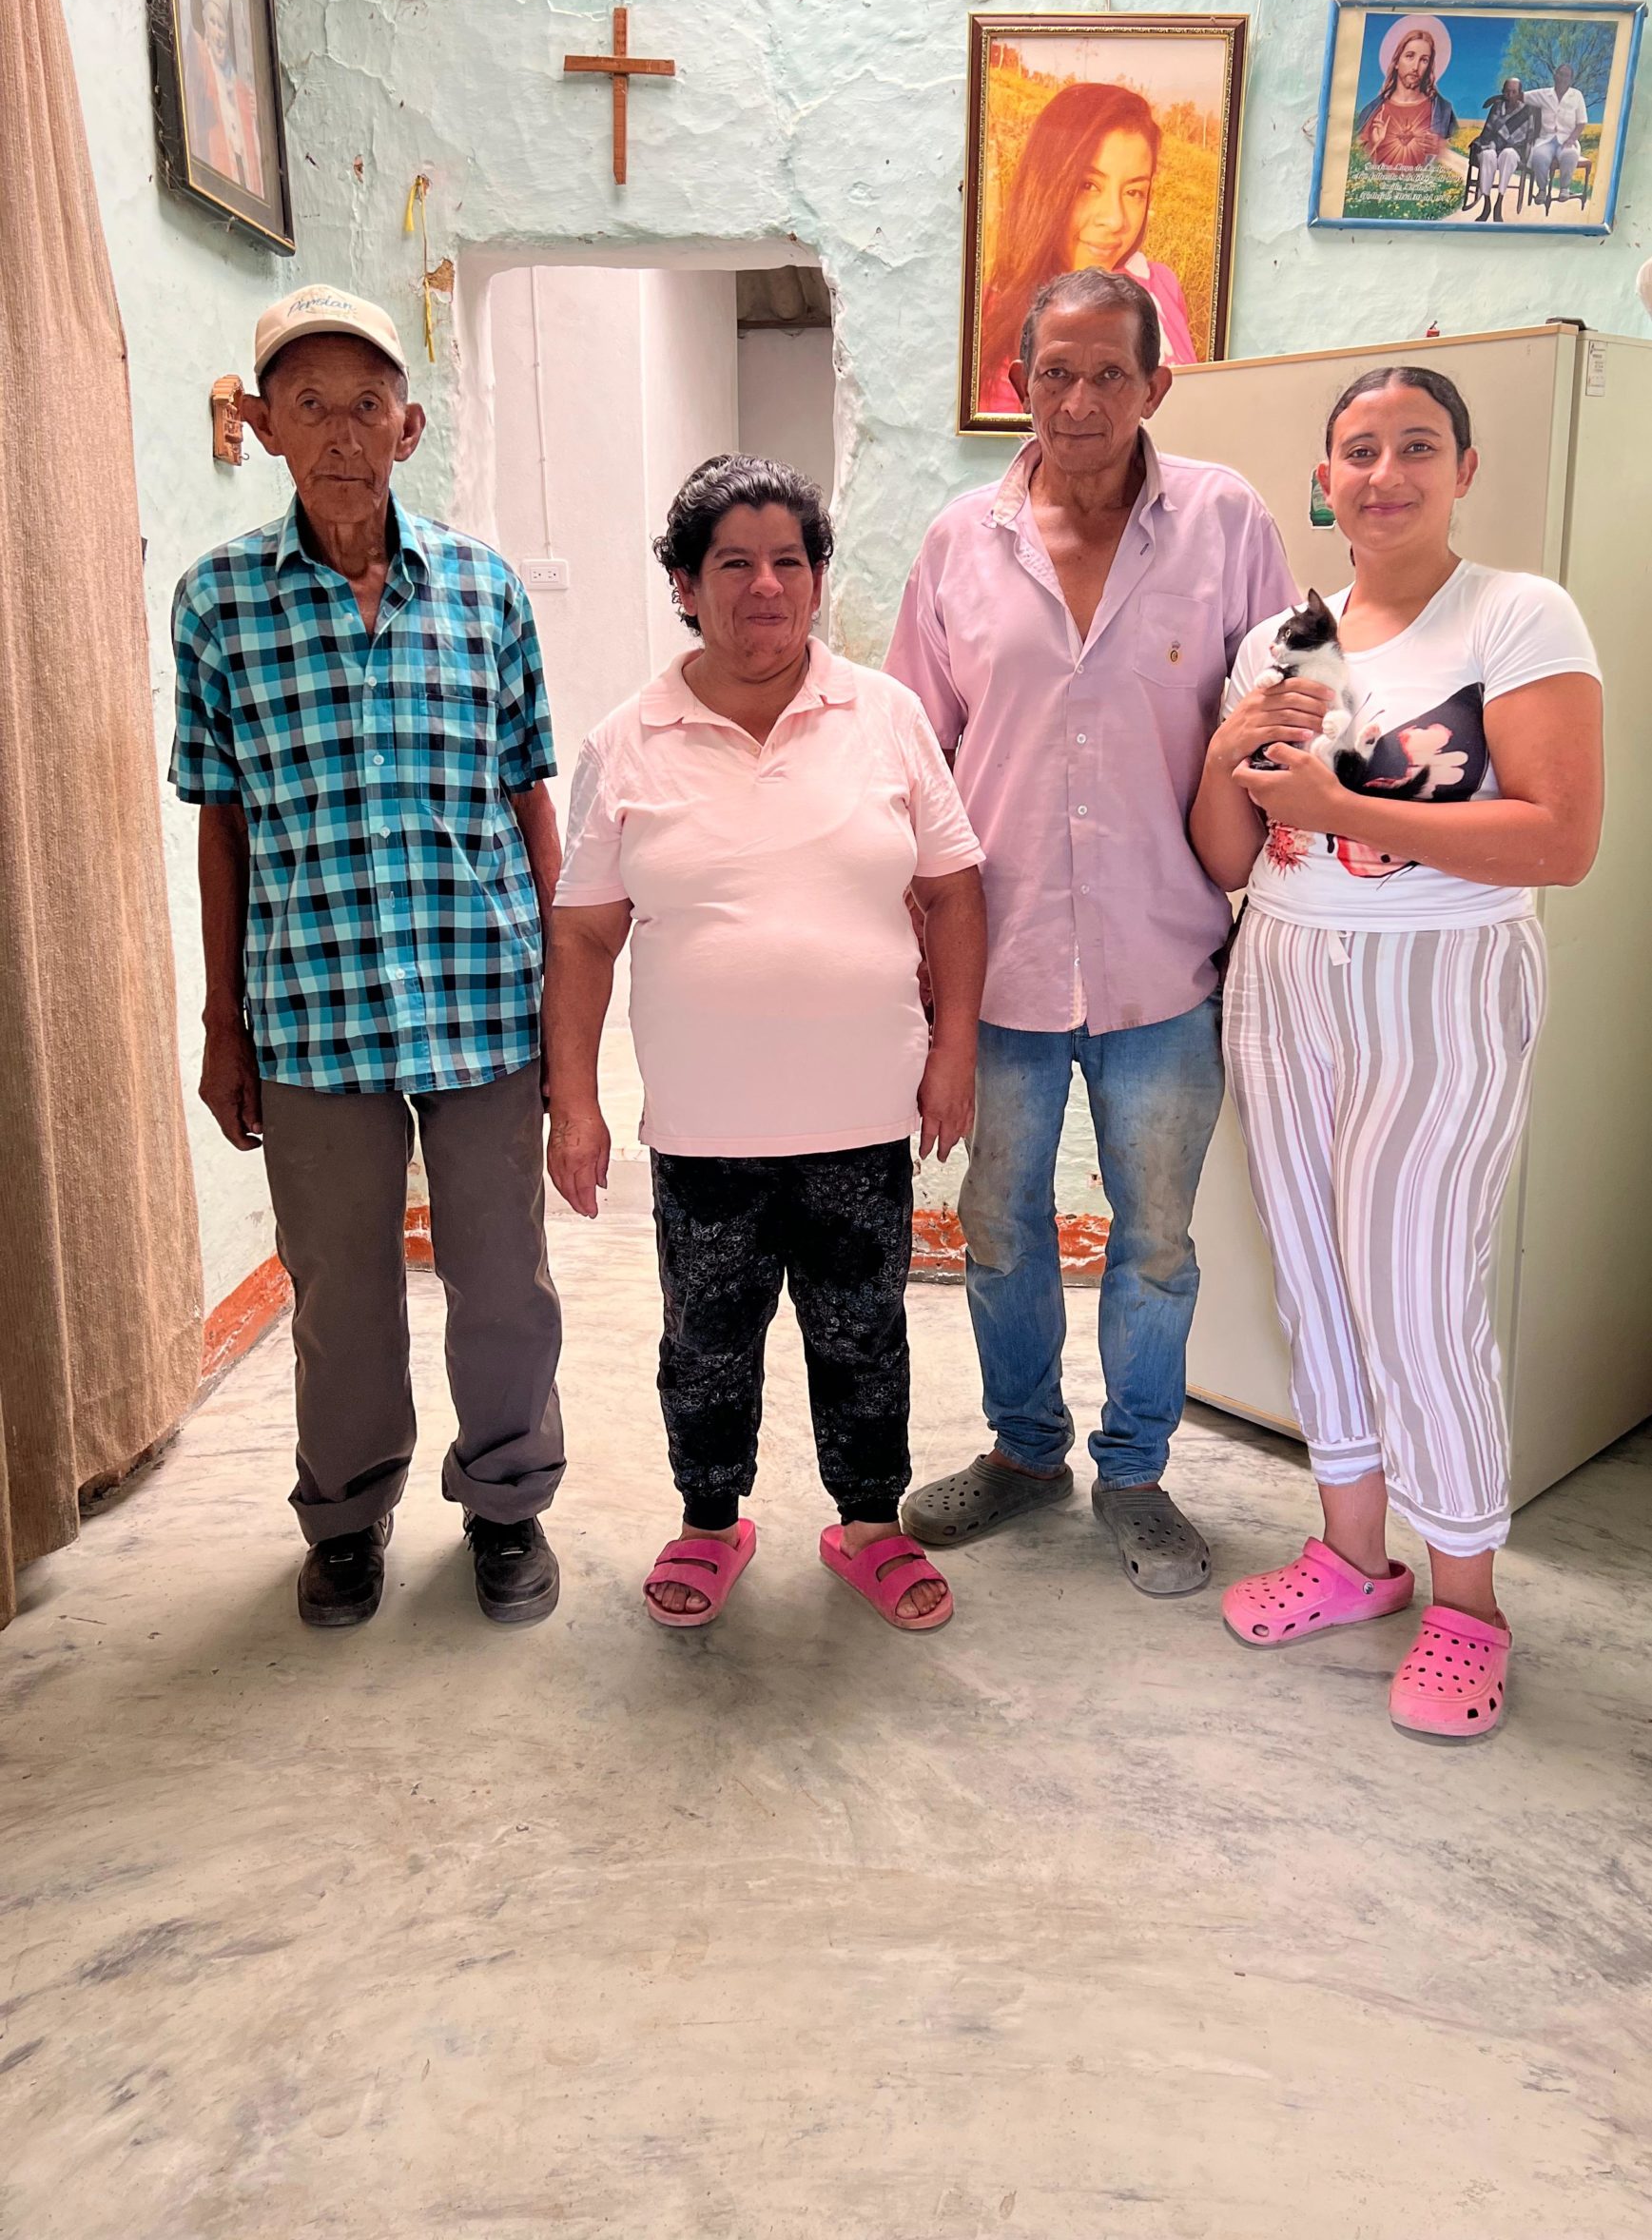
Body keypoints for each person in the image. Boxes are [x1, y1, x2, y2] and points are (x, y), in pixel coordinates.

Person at [1190, 365, 1603, 1738]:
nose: (1384, 474)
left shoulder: (1519, 615)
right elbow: (1227, 852)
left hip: (1441, 973)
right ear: (1325, 477)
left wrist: (1336, 796)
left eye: (1415, 447)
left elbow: (1559, 838)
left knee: (1421, 1292)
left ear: (1463, 469)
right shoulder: (1279, 640)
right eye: (1357, 451)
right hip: (1288, 965)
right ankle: (1353, 1560)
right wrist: (1230, 759)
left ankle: (1466, 1605)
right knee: (1314, 1272)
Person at [888, 267, 1295, 1593]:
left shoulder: (1226, 522)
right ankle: (1022, 1452)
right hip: (995, 963)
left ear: (1153, 386)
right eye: (1052, 373)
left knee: (1155, 1238)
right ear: (1019, 381)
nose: (1076, 401)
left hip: (1165, 958)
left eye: (1107, 374)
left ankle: (1135, 1472)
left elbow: (1281, 712)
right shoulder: (960, 541)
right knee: (996, 1224)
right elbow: (911, 752)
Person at [170, 284, 567, 1631]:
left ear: (406, 428)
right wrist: (222, 1025)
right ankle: (345, 1521)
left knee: (502, 1279)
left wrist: (569, 1011)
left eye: (363, 407)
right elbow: (222, 827)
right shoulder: (218, 604)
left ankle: (508, 1507)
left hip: (481, 999)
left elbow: (529, 800)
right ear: (265, 425)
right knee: (340, 1293)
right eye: (307, 405)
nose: (339, 433)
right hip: (312, 1009)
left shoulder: (485, 590)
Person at [548, 456, 986, 1634]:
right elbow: (586, 936)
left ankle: (871, 1523)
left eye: (788, 561)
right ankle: (708, 1519)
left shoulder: (885, 717)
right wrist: (575, 1102)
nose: (764, 587)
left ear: (818, 579)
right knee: (706, 1341)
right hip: (704, 1128)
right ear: (685, 585)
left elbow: (952, 893)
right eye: (732, 564)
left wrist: (953, 1053)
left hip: (861, 1118)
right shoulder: (628, 738)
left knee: (866, 1335)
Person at [978, 83, 1198, 413]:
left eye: (1134, 192)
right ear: (1045, 185)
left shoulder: (1162, 287)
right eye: (1088, 186)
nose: (1115, 219)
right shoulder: (997, 318)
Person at [183, 0, 263, 195]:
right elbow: (182, 32)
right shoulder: (201, 57)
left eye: (222, 26)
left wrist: (253, 113)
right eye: (213, 23)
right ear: (205, 24)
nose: (218, 32)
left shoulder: (238, 84)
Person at [1355, 22, 1456, 170]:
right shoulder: (1372, 112)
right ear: (1396, 62)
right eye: (1410, 56)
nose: (1415, 67)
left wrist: (1442, 149)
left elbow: (1459, 157)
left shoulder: (1443, 111)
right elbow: (1354, 164)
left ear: (1429, 67)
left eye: (1424, 60)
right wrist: (1374, 143)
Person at [1469, 78, 1538, 222]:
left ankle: (1499, 202)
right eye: (1507, 91)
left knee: (1509, 154)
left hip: (1514, 149)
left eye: (1514, 92)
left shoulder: (1527, 111)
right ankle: (1486, 203)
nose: (1510, 95)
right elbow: (1487, 131)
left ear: (1520, 93)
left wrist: (1510, 144)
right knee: (1487, 154)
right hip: (1494, 146)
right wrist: (1491, 145)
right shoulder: (1497, 106)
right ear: (1503, 92)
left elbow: (1528, 137)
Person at [1526, 63, 1589, 205]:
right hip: (1546, 139)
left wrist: (1572, 138)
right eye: (1560, 74)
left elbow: (1581, 122)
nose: (1562, 78)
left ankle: (1564, 188)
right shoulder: (1544, 94)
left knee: (1570, 154)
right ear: (1555, 76)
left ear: (1571, 79)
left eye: (1566, 75)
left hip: (1567, 138)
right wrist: (1503, 96)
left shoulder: (1576, 96)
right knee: (1539, 155)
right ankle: (1542, 190)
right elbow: (1522, 96)